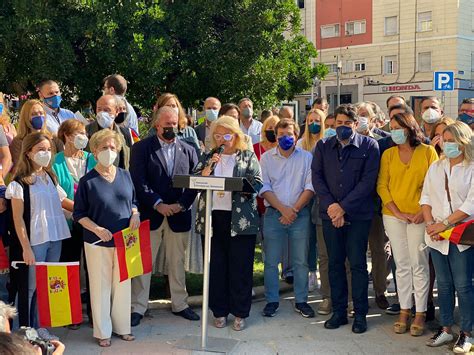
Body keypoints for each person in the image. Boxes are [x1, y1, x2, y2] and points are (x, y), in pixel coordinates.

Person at [312, 104, 380, 334]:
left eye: (346, 123)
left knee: (358, 264)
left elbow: (368, 182)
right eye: (337, 123)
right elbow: (317, 178)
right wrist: (332, 206)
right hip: (330, 214)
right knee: (335, 264)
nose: (341, 127)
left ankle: (360, 313)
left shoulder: (370, 146)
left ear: (355, 124)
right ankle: (339, 312)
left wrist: (343, 208)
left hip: (358, 215)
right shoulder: (323, 146)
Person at [129, 107, 199, 327]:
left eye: (174, 124)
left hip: (179, 215)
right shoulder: (141, 149)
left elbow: (194, 181)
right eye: (167, 124)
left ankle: (180, 304)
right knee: (144, 264)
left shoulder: (189, 150)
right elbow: (138, 181)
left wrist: (180, 205)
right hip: (152, 214)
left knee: (177, 262)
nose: (171, 128)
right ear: (156, 125)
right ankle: (138, 307)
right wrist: (158, 204)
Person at [195, 116, 262, 331]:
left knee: (240, 267)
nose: (222, 139)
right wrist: (207, 170)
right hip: (213, 220)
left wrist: (239, 186)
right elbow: (195, 179)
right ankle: (219, 311)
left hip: (240, 221)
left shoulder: (247, 156)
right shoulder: (208, 156)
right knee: (216, 267)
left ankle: (241, 312)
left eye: (226, 135)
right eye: (217, 135)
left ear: (235, 135)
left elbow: (258, 183)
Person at [73, 129, 138, 347]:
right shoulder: (87, 181)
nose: (109, 152)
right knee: (100, 287)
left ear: (118, 150)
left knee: (123, 285)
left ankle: (123, 328)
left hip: (124, 240)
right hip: (97, 242)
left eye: (112, 148)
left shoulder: (125, 175)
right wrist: (97, 229)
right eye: (103, 148)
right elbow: (79, 214)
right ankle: (103, 332)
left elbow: (133, 202)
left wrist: (135, 215)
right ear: (94, 151)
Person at [377, 112, 438, 337]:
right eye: (391, 127)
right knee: (401, 265)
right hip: (393, 216)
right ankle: (404, 310)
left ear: (410, 128)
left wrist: (423, 212)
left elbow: (433, 186)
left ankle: (420, 312)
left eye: (398, 127)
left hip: (420, 216)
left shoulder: (428, 152)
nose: (394, 131)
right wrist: (397, 212)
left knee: (419, 264)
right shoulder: (389, 154)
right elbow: (382, 185)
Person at [7, 133, 71, 339]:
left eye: (49, 149)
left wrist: (90, 210)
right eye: (40, 150)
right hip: (36, 240)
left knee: (47, 286)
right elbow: (18, 219)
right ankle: (27, 330)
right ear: (28, 152)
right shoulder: (19, 183)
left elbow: (65, 202)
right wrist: (26, 247)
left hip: (55, 237)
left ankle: (41, 327)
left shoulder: (51, 177)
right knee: (30, 287)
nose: (46, 153)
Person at [420, 122, 473, 352]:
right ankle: (445, 328)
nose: (447, 144)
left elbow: (471, 203)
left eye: (452, 140)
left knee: (463, 285)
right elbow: (426, 197)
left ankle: (467, 333)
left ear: (464, 142)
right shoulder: (436, 166)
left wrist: (444, 224)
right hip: (436, 235)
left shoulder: (471, 168)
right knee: (443, 284)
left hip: (460, 234)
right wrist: (432, 224)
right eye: (444, 139)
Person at [260, 119, 315, 319]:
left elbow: (310, 186)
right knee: (271, 262)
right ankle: (272, 301)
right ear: (276, 135)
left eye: (289, 134)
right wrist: (283, 210)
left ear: (297, 135)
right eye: (281, 135)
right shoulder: (266, 158)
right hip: (274, 215)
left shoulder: (307, 158)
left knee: (300, 261)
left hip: (299, 215)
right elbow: (264, 187)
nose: (285, 138)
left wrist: (294, 210)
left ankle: (301, 301)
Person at [52, 120, 96, 327]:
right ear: (67, 136)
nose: (84, 137)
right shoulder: (56, 162)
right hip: (68, 222)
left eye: (84, 133)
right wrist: (78, 212)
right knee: (69, 266)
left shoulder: (92, 159)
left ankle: (96, 314)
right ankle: (71, 314)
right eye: (79, 133)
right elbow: (58, 194)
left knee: (93, 268)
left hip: (92, 222)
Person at [10, 100, 63, 174]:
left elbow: (62, 163)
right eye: (34, 114)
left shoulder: (54, 138)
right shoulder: (18, 142)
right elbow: (19, 168)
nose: (39, 116)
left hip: (53, 179)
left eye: (41, 113)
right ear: (26, 117)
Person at [86, 95, 132, 170]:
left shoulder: (125, 133)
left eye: (107, 110)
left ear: (117, 111)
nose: (102, 113)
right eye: (99, 109)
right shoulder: (86, 132)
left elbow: (129, 162)